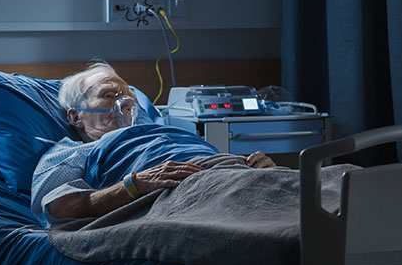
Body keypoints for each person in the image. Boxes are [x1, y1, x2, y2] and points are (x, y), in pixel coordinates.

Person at [30, 61, 274, 227]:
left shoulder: (169, 133)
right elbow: (58, 210)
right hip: (186, 196)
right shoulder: (72, 152)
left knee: (305, 199)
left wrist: (258, 168)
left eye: (129, 97)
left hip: (236, 178)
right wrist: (134, 185)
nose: (125, 103)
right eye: (108, 95)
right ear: (75, 116)